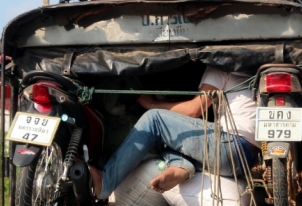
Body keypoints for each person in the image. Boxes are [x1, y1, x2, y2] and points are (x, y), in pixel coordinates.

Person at [89, 67, 258, 199]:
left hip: (231, 146)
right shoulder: (257, 74)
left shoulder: (220, 69)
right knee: (169, 137)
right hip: (246, 161)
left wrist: (152, 105)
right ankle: (180, 165)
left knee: (154, 119)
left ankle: (106, 182)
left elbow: (194, 110)